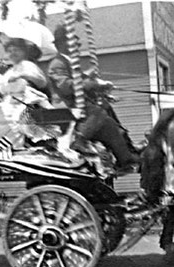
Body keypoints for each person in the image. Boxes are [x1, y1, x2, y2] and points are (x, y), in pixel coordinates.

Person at [48, 24, 139, 170]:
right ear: (62, 44)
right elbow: (65, 86)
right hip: (70, 108)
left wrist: (103, 90)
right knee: (99, 113)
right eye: (74, 42)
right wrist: (93, 83)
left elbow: (87, 85)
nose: (78, 45)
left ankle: (127, 153)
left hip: (85, 106)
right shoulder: (57, 64)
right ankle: (80, 140)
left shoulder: (70, 63)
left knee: (107, 115)